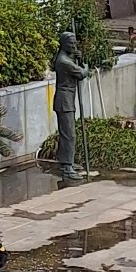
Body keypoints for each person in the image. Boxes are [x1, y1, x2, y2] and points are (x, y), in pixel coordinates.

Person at [51, 25, 92, 182]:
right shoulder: (63, 61)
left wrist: (76, 57)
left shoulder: (66, 58)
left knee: (66, 133)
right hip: (65, 101)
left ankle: (65, 162)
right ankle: (67, 167)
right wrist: (84, 65)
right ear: (64, 44)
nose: (74, 46)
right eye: (72, 43)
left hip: (66, 100)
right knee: (69, 135)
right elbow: (81, 74)